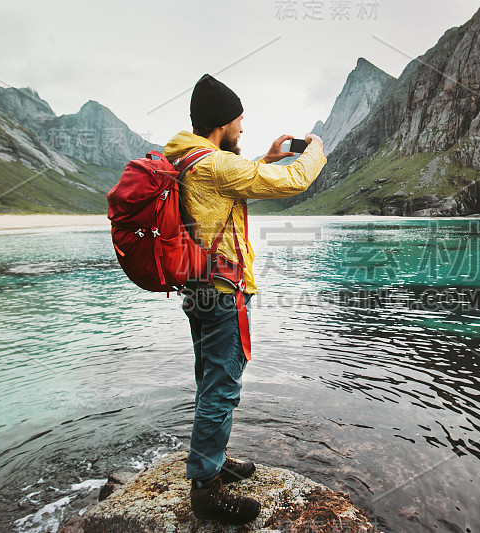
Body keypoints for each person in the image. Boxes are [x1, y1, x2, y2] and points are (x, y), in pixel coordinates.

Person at [163, 73, 326, 525]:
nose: (243, 129)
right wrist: (314, 148)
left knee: (208, 379)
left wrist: (263, 159)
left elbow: (226, 183)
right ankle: (206, 489)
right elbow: (293, 180)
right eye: (239, 121)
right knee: (223, 385)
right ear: (222, 123)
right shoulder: (214, 165)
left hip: (197, 290)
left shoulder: (191, 159)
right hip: (221, 294)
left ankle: (212, 460)